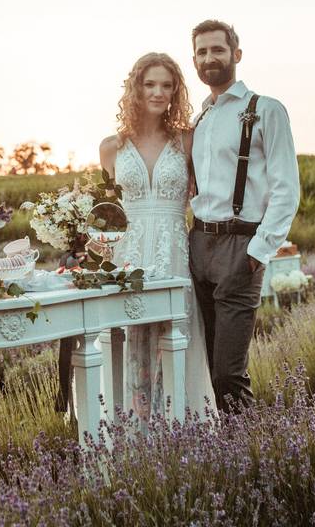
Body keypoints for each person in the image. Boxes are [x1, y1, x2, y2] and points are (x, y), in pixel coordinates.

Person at [188, 20, 300, 413]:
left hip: (240, 246)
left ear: (236, 54)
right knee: (201, 369)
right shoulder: (199, 121)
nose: (209, 58)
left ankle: (249, 458)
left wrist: (259, 251)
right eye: (201, 52)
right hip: (198, 246)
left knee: (228, 374)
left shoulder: (266, 109)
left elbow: (287, 187)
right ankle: (216, 453)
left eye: (217, 50)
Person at [99, 52, 216, 423]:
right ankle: (128, 436)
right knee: (127, 341)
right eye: (150, 84)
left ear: (176, 91)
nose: (158, 92)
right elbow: (107, 213)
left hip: (173, 255)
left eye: (167, 85)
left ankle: (181, 435)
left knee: (175, 341)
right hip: (127, 258)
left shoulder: (187, 141)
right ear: (135, 88)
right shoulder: (110, 148)